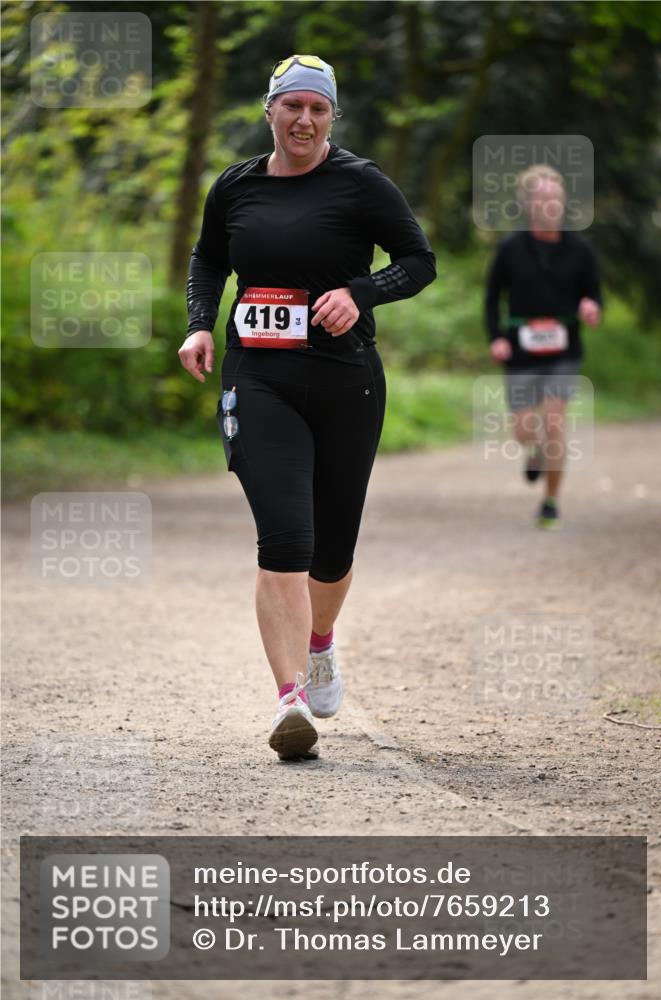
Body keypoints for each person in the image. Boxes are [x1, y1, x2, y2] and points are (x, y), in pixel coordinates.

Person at [178, 54, 436, 759]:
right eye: (291, 106)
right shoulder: (235, 187)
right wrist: (200, 323)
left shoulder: (359, 184)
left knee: (331, 547)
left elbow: (417, 261)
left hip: (345, 380)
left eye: (317, 109)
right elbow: (208, 259)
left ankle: (321, 642)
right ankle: (289, 700)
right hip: (256, 378)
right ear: (269, 111)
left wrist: (359, 293)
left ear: (331, 118)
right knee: (284, 538)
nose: (303, 119)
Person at [484, 164, 602, 529]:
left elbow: (594, 294)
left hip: (564, 350)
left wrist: (591, 306)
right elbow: (491, 299)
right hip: (521, 349)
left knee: (554, 423)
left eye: (556, 197)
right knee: (523, 430)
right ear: (529, 204)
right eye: (543, 198)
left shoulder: (580, 248)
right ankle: (533, 452)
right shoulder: (510, 248)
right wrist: (497, 338)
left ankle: (550, 501)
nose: (551, 204)